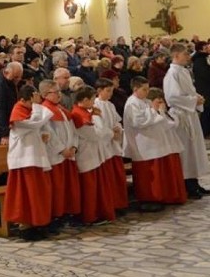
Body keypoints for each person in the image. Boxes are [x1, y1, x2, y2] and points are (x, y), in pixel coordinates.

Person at [123, 80, 188, 211]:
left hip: (154, 141)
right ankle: (149, 199)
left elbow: (157, 118)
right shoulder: (131, 103)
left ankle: (162, 197)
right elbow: (138, 122)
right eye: (144, 90)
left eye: (148, 89)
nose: (147, 93)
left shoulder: (146, 101)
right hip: (143, 143)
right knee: (148, 174)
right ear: (135, 89)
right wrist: (154, 111)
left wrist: (158, 112)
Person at [4, 85, 53, 241]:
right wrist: (38, 106)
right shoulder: (17, 111)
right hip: (24, 159)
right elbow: (34, 123)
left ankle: (39, 223)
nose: (35, 104)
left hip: (35, 156)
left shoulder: (30, 110)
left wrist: (45, 134)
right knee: (26, 195)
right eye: (33, 100)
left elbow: (41, 125)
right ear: (26, 99)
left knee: (38, 194)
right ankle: (26, 227)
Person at [164, 43, 210, 199]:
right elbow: (172, 97)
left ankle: (195, 182)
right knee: (186, 152)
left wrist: (197, 98)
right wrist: (193, 101)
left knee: (194, 150)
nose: (188, 57)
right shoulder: (172, 74)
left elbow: (188, 92)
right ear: (176, 55)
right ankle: (187, 184)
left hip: (189, 114)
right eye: (185, 54)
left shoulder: (183, 71)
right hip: (181, 116)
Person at [39, 79, 81, 230]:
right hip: (57, 156)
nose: (59, 95)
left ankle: (70, 212)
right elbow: (49, 134)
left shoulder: (62, 109)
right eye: (55, 92)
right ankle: (58, 215)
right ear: (44, 94)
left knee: (70, 187)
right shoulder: (44, 111)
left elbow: (73, 130)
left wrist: (74, 146)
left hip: (69, 154)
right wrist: (62, 149)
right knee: (58, 187)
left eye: (59, 92)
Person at [71, 87, 116, 225]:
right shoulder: (78, 115)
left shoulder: (85, 112)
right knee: (89, 189)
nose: (93, 102)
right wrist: (108, 131)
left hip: (93, 155)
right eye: (91, 99)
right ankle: (89, 217)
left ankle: (96, 213)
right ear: (84, 100)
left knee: (94, 188)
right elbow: (96, 135)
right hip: (86, 157)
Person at [93, 78, 128, 213]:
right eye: (108, 91)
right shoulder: (95, 106)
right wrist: (111, 133)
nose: (110, 94)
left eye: (111, 91)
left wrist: (118, 129)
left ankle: (119, 204)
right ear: (99, 91)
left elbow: (117, 121)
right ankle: (111, 205)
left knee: (117, 176)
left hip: (114, 145)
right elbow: (99, 128)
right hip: (105, 146)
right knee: (109, 178)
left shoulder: (110, 105)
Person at [0, 62, 22, 146]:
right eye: (15, 77)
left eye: (19, 77)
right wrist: (4, 134)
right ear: (6, 73)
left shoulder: (8, 83)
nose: (18, 79)